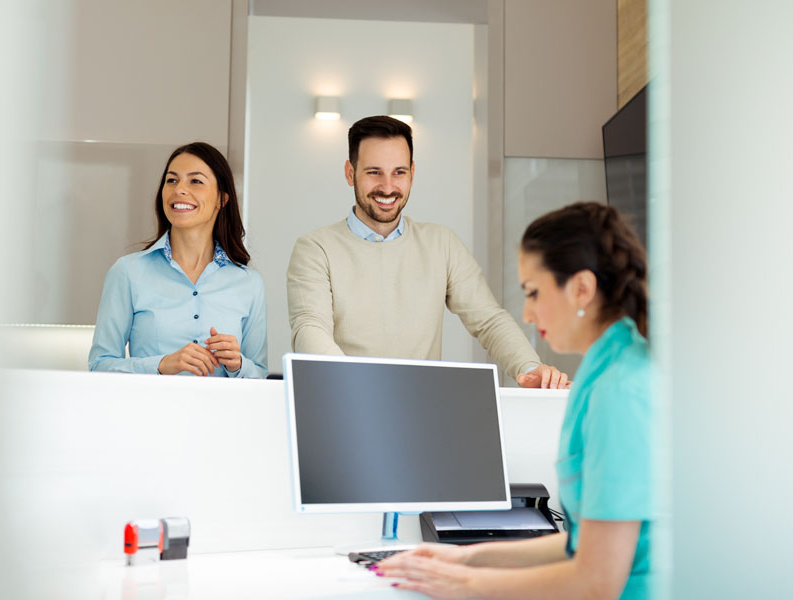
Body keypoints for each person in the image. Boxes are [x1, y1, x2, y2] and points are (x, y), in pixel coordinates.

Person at [375, 202, 652, 599]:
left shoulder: (621, 389)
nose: (526, 312)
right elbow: (585, 541)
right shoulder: (601, 370)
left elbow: (596, 580)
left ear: (582, 289)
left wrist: (467, 585)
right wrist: (469, 560)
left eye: (534, 293)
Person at [286, 116, 568, 388]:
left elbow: (489, 320)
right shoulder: (315, 248)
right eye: (374, 172)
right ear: (350, 173)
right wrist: (359, 388)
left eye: (399, 172)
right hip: (345, 405)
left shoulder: (441, 243)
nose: (387, 187)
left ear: (412, 173)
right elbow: (310, 329)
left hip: (421, 412)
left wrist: (530, 368)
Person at [89, 142, 267, 378]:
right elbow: (99, 365)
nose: (179, 190)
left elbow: (260, 374)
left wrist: (238, 365)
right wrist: (161, 365)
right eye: (171, 180)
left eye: (196, 181)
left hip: (222, 413)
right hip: (150, 412)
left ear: (221, 199)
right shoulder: (127, 272)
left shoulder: (249, 282)